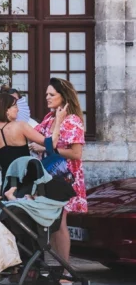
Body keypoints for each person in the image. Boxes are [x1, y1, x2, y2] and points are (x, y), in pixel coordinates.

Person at [35, 77, 87, 266]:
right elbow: (36, 136)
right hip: (49, 175)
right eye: (46, 94)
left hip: (65, 176)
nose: (47, 97)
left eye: (51, 94)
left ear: (63, 97)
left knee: (60, 221)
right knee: (54, 222)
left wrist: (47, 149)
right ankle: (59, 266)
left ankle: (64, 268)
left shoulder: (72, 120)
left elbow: (76, 152)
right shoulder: (49, 118)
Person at [0, 92, 46, 185]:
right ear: (6, 110)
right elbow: (47, 142)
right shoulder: (21, 126)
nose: (17, 109)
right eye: (15, 106)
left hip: (6, 180)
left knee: (7, 198)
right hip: (27, 178)